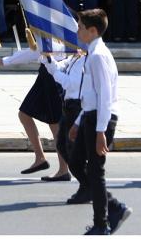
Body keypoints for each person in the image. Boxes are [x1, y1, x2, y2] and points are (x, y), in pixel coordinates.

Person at [68, 9, 132, 235]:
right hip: (90, 115)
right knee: (75, 162)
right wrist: (78, 121)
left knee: (96, 171)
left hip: (100, 118)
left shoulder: (98, 56)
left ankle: (101, 223)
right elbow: (90, 93)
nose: (78, 30)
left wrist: (100, 131)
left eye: (81, 27)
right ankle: (113, 205)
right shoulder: (91, 53)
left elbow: (105, 96)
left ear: (92, 31)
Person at [0, 46, 69, 181]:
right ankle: (40, 158)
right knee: (24, 114)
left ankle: (63, 169)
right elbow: (35, 49)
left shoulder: (52, 29)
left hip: (53, 75)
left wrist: (6, 60)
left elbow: (35, 51)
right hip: (46, 73)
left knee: (54, 124)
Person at [44, 49, 90, 202]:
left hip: (76, 107)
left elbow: (71, 84)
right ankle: (87, 183)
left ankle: (88, 185)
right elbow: (58, 67)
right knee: (62, 146)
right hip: (68, 106)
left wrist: (55, 73)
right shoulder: (75, 57)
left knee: (72, 150)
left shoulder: (84, 59)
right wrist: (47, 59)